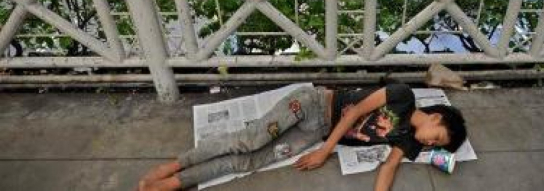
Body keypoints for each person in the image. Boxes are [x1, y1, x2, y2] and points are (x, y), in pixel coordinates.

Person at [138, 82, 467, 191]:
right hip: (312, 105)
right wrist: (326, 152)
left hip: (315, 133)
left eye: (435, 146)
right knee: (250, 140)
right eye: (437, 138)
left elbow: (389, 169)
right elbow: (352, 113)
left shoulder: (409, 142)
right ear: (436, 116)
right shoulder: (402, 95)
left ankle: (177, 183)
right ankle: (174, 165)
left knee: (253, 160)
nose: (430, 144)